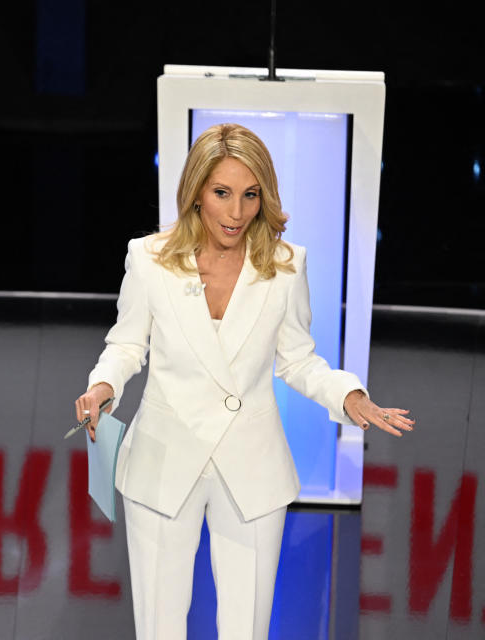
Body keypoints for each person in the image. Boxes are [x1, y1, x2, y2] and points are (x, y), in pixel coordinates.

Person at [73, 123, 413, 640]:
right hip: (164, 461)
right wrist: (103, 388)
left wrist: (348, 394)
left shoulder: (285, 266)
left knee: (246, 630)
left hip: (250, 468)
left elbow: (298, 360)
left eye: (250, 195)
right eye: (222, 194)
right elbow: (126, 345)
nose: (236, 212)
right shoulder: (149, 260)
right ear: (196, 192)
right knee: (159, 629)